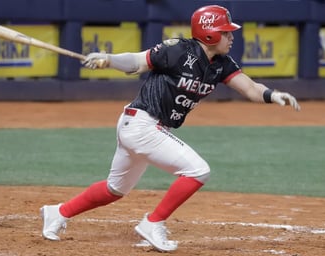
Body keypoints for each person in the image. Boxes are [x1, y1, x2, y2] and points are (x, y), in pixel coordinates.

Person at [40, 5, 301, 252]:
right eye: (225, 32)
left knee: (115, 189)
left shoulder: (222, 63)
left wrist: (272, 95)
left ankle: (58, 212)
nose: (231, 37)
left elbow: (250, 88)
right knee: (198, 171)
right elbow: (137, 62)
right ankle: (153, 222)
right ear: (209, 33)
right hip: (142, 124)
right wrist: (109, 60)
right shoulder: (178, 50)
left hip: (144, 127)